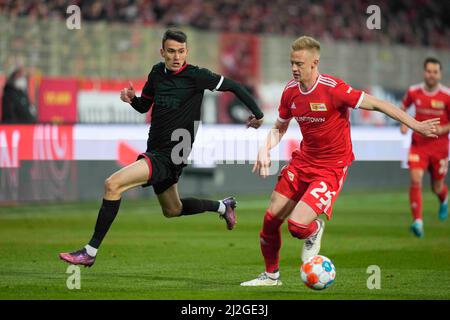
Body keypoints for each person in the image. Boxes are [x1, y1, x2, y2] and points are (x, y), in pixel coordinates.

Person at [240, 36, 439, 286]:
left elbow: (378, 104)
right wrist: (265, 148)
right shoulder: (290, 91)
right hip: (303, 162)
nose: (294, 68)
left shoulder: (333, 89)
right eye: (292, 63)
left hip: (331, 168)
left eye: (299, 63)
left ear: (315, 63)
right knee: (270, 220)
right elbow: (280, 126)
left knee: (297, 227)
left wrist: (415, 125)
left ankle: (314, 230)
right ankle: (271, 276)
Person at [59, 29, 264, 267]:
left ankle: (90, 252)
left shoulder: (197, 76)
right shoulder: (157, 73)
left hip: (172, 154)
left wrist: (257, 114)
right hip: (156, 149)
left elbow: (235, 87)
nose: (176, 57)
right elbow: (144, 106)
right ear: (162, 52)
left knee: (112, 185)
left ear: (186, 52)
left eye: (181, 51)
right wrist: (132, 100)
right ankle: (222, 206)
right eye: (171, 51)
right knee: (173, 209)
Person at [400, 57, 450, 238]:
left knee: (437, 187)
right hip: (419, 145)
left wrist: (443, 128)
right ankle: (418, 221)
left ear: (440, 74)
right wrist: (403, 123)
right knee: (415, 179)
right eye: (428, 71)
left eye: (435, 72)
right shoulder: (414, 91)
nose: (431, 75)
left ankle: (444, 198)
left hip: (439, 147)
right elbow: (402, 107)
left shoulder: (447, 95)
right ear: (424, 72)